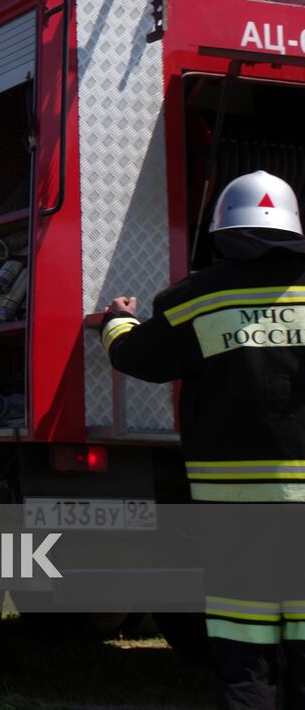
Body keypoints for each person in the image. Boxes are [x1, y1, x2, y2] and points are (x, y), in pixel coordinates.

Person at [101, 171, 305, 709]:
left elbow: (136, 357)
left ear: (224, 231)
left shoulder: (196, 300)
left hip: (237, 512)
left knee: (244, 646)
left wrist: (116, 322)